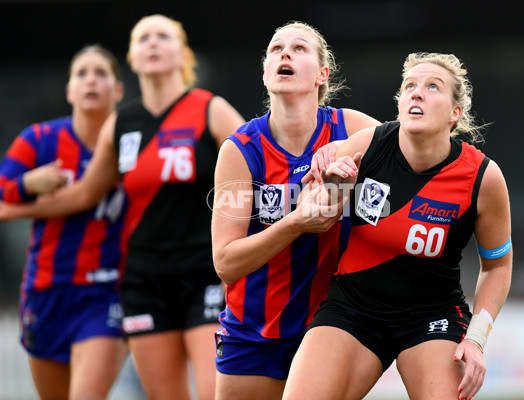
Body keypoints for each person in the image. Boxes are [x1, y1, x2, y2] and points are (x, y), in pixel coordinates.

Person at [0, 14, 245, 400]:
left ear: (182, 53)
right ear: (131, 57)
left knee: (220, 392)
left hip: (205, 275)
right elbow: (83, 194)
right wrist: (14, 208)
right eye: (143, 37)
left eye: (162, 36)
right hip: (144, 282)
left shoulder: (209, 109)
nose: (151, 43)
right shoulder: (122, 122)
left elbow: (255, 167)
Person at [282, 52, 513, 400]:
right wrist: (330, 186)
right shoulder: (367, 146)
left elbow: (498, 266)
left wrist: (476, 340)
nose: (416, 93)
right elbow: (311, 213)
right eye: (409, 86)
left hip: (431, 318)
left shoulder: (483, 177)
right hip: (352, 309)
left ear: (455, 113)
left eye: (432, 87)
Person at [211, 20, 380, 400]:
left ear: (323, 74)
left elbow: (414, 153)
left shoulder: (351, 129)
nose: (284, 53)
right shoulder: (240, 150)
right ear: (266, 71)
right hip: (255, 330)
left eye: (299, 48)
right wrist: (297, 222)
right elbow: (225, 262)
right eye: (275, 49)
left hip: (335, 325)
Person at [0, 45, 127, 400]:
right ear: (69, 90)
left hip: (107, 292)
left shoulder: (132, 145)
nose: (91, 80)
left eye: (101, 73)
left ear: (118, 91)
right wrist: (26, 184)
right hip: (47, 289)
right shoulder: (39, 139)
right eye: (82, 73)